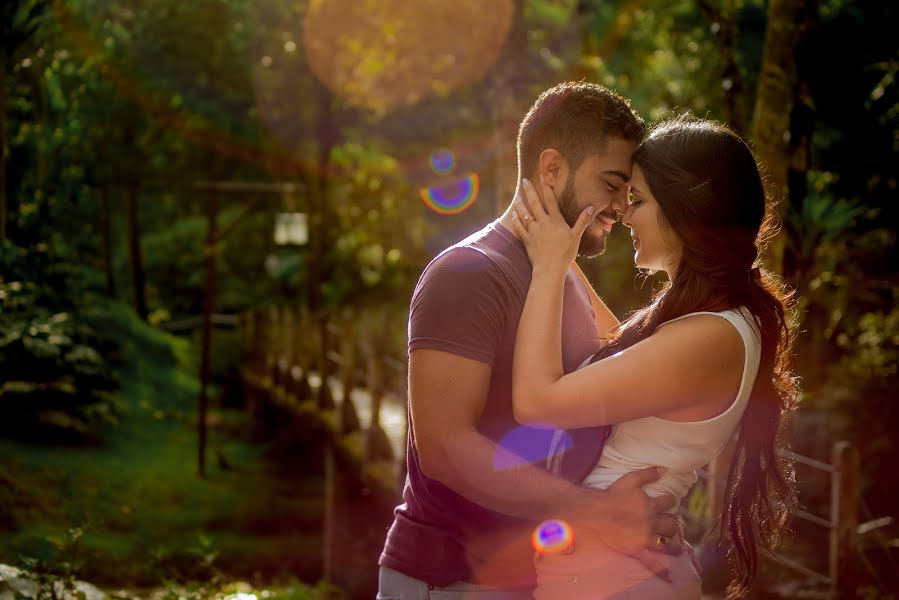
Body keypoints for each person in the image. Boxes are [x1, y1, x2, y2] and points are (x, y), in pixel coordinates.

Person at [377, 83, 691, 598]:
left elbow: (624, 375)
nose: (621, 205)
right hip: (453, 580)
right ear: (551, 169)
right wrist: (597, 513)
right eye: (611, 184)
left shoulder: (562, 276)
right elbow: (445, 448)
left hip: (542, 577)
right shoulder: (470, 273)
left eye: (628, 191)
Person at [509, 115, 799, 599]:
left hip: (617, 580)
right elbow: (612, 349)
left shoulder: (711, 338)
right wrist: (560, 252)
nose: (624, 215)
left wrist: (548, 268)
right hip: (611, 573)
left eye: (638, 201)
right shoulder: (706, 322)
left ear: (687, 209)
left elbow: (537, 402)